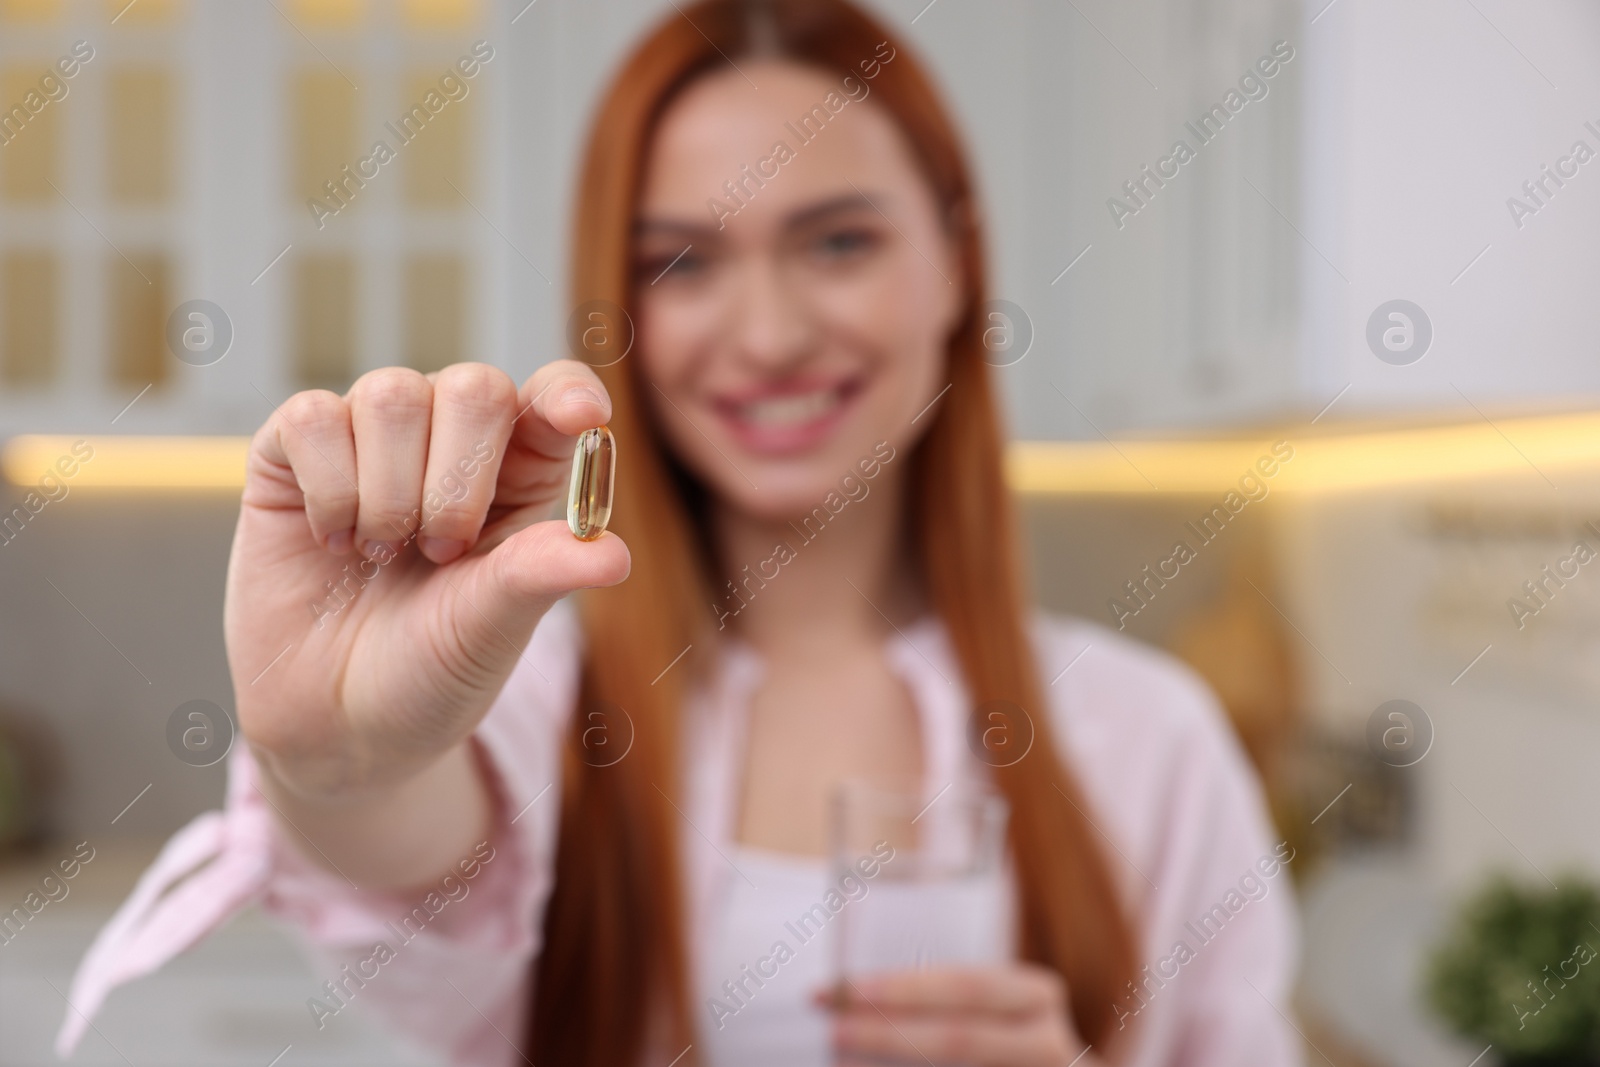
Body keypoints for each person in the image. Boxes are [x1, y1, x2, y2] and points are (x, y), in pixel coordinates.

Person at [58, 1, 1299, 1064]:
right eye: (682, 264)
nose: (763, 334)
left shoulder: (1147, 738)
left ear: (957, 262)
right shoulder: (528, 698)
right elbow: (407, 869)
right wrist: (339, 767)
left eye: (838, 240)